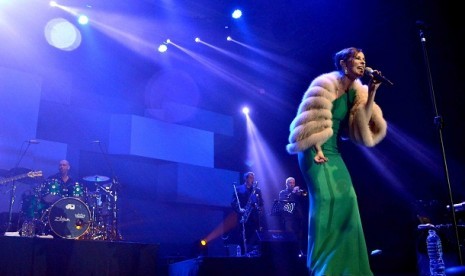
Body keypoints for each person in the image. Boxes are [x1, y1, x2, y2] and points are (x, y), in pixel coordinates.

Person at [286, 47, 387, 275]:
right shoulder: (324, 85)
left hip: (333, 151)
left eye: (364, 59)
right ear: (344, 63)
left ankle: (350, 268)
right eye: (357, 59)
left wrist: (371, 92)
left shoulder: (355, 91)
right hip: (313, 148)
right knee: (326, 200)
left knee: (348, 199)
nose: (363, 63)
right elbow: (310, 123)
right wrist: (317, 148)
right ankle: (324, 266)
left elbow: (362, 123)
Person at [231, 171, 264, 255]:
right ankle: (243, 255)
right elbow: (233, 202)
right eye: (250, 177)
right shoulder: (238, 189)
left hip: (255, 217)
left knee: (255, 237)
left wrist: (258, 207)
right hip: (244, 217)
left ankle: (255, 254)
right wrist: (239, 209)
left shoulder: (257, 190)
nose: (252, 179)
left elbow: (261, 203)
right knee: (243, 237)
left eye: (253, 178)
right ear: (246, 178)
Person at [278, 177, 306, 250]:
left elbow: (304, 198)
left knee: (299, 236)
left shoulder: (297, 192)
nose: (292, 184)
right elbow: (285, 205)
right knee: (290, 236)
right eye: (290, 182)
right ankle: (290, 251)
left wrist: (299, 194)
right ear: (286, 184)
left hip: (298, 217)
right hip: (288, 218)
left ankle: (299, 251)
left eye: (293, 182)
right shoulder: (283, 192)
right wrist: (293, 193)